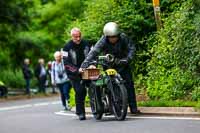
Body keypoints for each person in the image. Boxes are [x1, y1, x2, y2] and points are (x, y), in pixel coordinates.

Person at [80, 22, 140, 114]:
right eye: (111, 37)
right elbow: (93, 52)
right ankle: (114, 106)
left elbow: (132, 48)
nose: (113, 39)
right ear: (107, 36)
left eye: (115, 36)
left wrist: (127, 59)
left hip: (122, 63)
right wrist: (84, 65)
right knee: (110, 85)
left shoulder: (123, 37)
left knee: (129, 85)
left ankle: (133, 108)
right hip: (108, 64)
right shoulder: (103, 41)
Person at [63, 27, 90, 120]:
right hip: (74, 73)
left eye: (79, 36)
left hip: (87, 70)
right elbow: (66, 64)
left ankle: (99, 106)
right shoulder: (66, 47)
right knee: (80, 91)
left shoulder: (86, 43)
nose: (78, 39)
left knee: (96, 85)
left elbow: (92, 54)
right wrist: (77, 70)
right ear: (71, 37)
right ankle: (80, 112)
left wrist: (93, 64)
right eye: (75, 37)